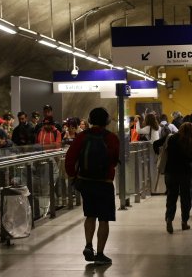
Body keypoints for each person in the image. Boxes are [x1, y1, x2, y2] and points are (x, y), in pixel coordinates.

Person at [65, 107, 119, 265]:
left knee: (90, 215)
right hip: (105, 183)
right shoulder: (112, 138)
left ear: (90, 120)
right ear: (107, 121)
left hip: (86, 181)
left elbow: (70, 158)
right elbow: (114, 160)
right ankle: (100, 254)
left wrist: (73, 176)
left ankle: (88, 245)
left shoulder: (81, 137)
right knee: (104, 218)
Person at [165, 122, 192, 233]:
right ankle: (184, 222)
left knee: (171, 196)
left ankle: (169, 219)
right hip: (185, 172)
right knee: (185, 197)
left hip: (171, 171)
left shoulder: (172, 138)